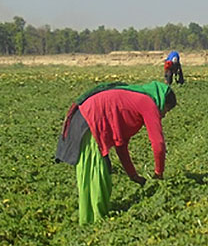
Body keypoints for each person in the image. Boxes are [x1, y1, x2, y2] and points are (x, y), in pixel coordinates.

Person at [55, 81, 177, 225]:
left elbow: (121, 145)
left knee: (103, 177)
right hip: (88, 121)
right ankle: (93, 222)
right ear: (162, 101)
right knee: (96, 175)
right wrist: (159, 173)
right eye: (166, 110)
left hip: (85, 119)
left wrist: (133, 175)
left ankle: (95, 218)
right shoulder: (148, 103)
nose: (164, 115)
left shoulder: (135, 101)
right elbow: (158, 144)